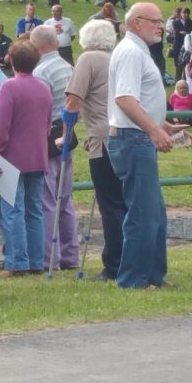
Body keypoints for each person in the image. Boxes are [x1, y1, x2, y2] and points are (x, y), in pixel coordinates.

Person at [107, 2, 192, 289]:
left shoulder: (138, 51)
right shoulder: (131, 52)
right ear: (135, 23)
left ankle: (153, 275)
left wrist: (163, 125)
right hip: (133, 139)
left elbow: (138, 100)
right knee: (142, 212)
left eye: (160, 21)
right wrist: (153, 129)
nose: (160, 26)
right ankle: (133, 279)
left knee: (153, 212)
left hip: (137, 136)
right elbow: (125, 99)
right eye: (154, 21)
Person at [63, 19, 126, 281]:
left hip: (101, 139)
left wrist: (65, 134)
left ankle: (113, 264)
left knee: (109, 204)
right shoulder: (117, 58)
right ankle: (125, 259)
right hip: (122, 135)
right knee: (122, 202)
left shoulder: (88, 59)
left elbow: (73, 100)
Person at [0, 40, 52, 276]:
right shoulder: (43, 87)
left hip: (10, 157)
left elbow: (0, 125)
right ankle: (36, 260)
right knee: (34, 210)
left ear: (12, 60)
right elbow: (47, 124)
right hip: (37, 155)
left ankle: (16, 261)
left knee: (12, 210)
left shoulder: (9, 87)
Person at [29, 25, 79, 271]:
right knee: (65, 199)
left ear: (36, 45)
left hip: (48, 136)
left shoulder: (41, 72)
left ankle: (50, 257)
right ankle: (70, 255)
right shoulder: (67, 67)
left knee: (47, 199)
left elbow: (40, 109)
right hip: (67, 132)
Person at [170, 7, 192, 80]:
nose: (186, 15)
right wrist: (186, 33)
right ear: (181, 13)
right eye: (184, 13)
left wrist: (184, 32)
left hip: (187, 45)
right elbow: (176, 34)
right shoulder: (175, 22)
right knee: (178, 64)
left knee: (186, 63)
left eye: (187, 13)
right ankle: (177, 81)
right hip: (178, 45)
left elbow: (191, 33)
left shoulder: (191, 22)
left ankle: (185, 81)